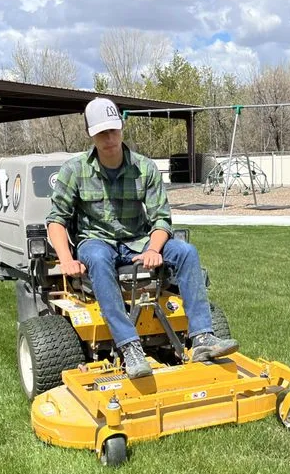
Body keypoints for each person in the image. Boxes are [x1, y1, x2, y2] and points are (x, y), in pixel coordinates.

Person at [46, 97, 238, 379]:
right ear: (90, 134)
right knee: (98, 258)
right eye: (101, 132)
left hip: (138, 240)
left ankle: (202, 337)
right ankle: (130, 346)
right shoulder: (74, 171)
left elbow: (161, 218)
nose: (109, 138)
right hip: (96, 241)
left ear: (121, 128)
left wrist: (153, 249)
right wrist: (66, 259)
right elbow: (56, 220)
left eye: (113, 130)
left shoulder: (145, 168)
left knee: (186, 252)